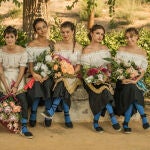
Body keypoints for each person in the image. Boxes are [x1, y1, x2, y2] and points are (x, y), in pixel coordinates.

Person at [41, 21, 82, 128]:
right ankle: (67, 116)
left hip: (73, 75)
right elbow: (55, 62)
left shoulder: (78, 47)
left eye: (67, 32)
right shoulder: (57, 45)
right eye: (63, 32)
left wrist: (71, 72)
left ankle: (52, 110)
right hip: (59, 74)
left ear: (73, 32)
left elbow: (78, 66)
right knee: (63, 83)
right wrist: (61, 72)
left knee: (64, 82)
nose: (65, 35)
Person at [81, 24, 121, 133]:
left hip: (103, 78)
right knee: (101, 91)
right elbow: (85, 71)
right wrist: (95, 76)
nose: (100, 36)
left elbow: (109, 66)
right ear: (91, 34)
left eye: (102, 34)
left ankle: (96, 122)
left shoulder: (104, 48)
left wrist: (107, 75)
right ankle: (112, 118)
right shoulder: (86, 50)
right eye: (97, 33)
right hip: (89, 79)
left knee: (104, 91)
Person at [114, 27, 150, 133]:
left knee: (133, 88)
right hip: (122, 81)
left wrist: (135, 79)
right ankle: (144, 119)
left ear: (137, 37)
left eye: (131, 37)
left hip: (136, 81)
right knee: (132, 89)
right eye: (127, 37)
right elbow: (117, 68)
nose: (129, 39)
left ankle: (126, 124)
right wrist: (123, 79)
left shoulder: (143, 52)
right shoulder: (121, 49)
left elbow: (142, 71)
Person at [0, 26, 33, 138]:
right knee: (1, 98)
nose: (9, 39)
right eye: (7, 37)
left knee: (23, 100)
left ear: (16, 37)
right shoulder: (1, 51)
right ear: (4, 38)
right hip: (4, 78)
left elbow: (22, 71)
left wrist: (15, 86)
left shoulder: (22, 51)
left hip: (17, 78)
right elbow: (0, 71)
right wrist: (5, 85)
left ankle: (24, 126)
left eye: (12, 37)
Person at [26, 18, 54, 127]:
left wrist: (48, 75)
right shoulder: (32, 45)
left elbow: (54, 62)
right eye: (39, 29)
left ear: (47, 27)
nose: (42, 30)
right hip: (36, 73)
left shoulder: (52, 44)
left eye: (44, 27)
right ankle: (33, 112)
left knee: (47, 84)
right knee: (37, 84)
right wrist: (34, 74)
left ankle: (47, 112)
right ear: (35, 31)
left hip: (49, 74)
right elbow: (30, 64)